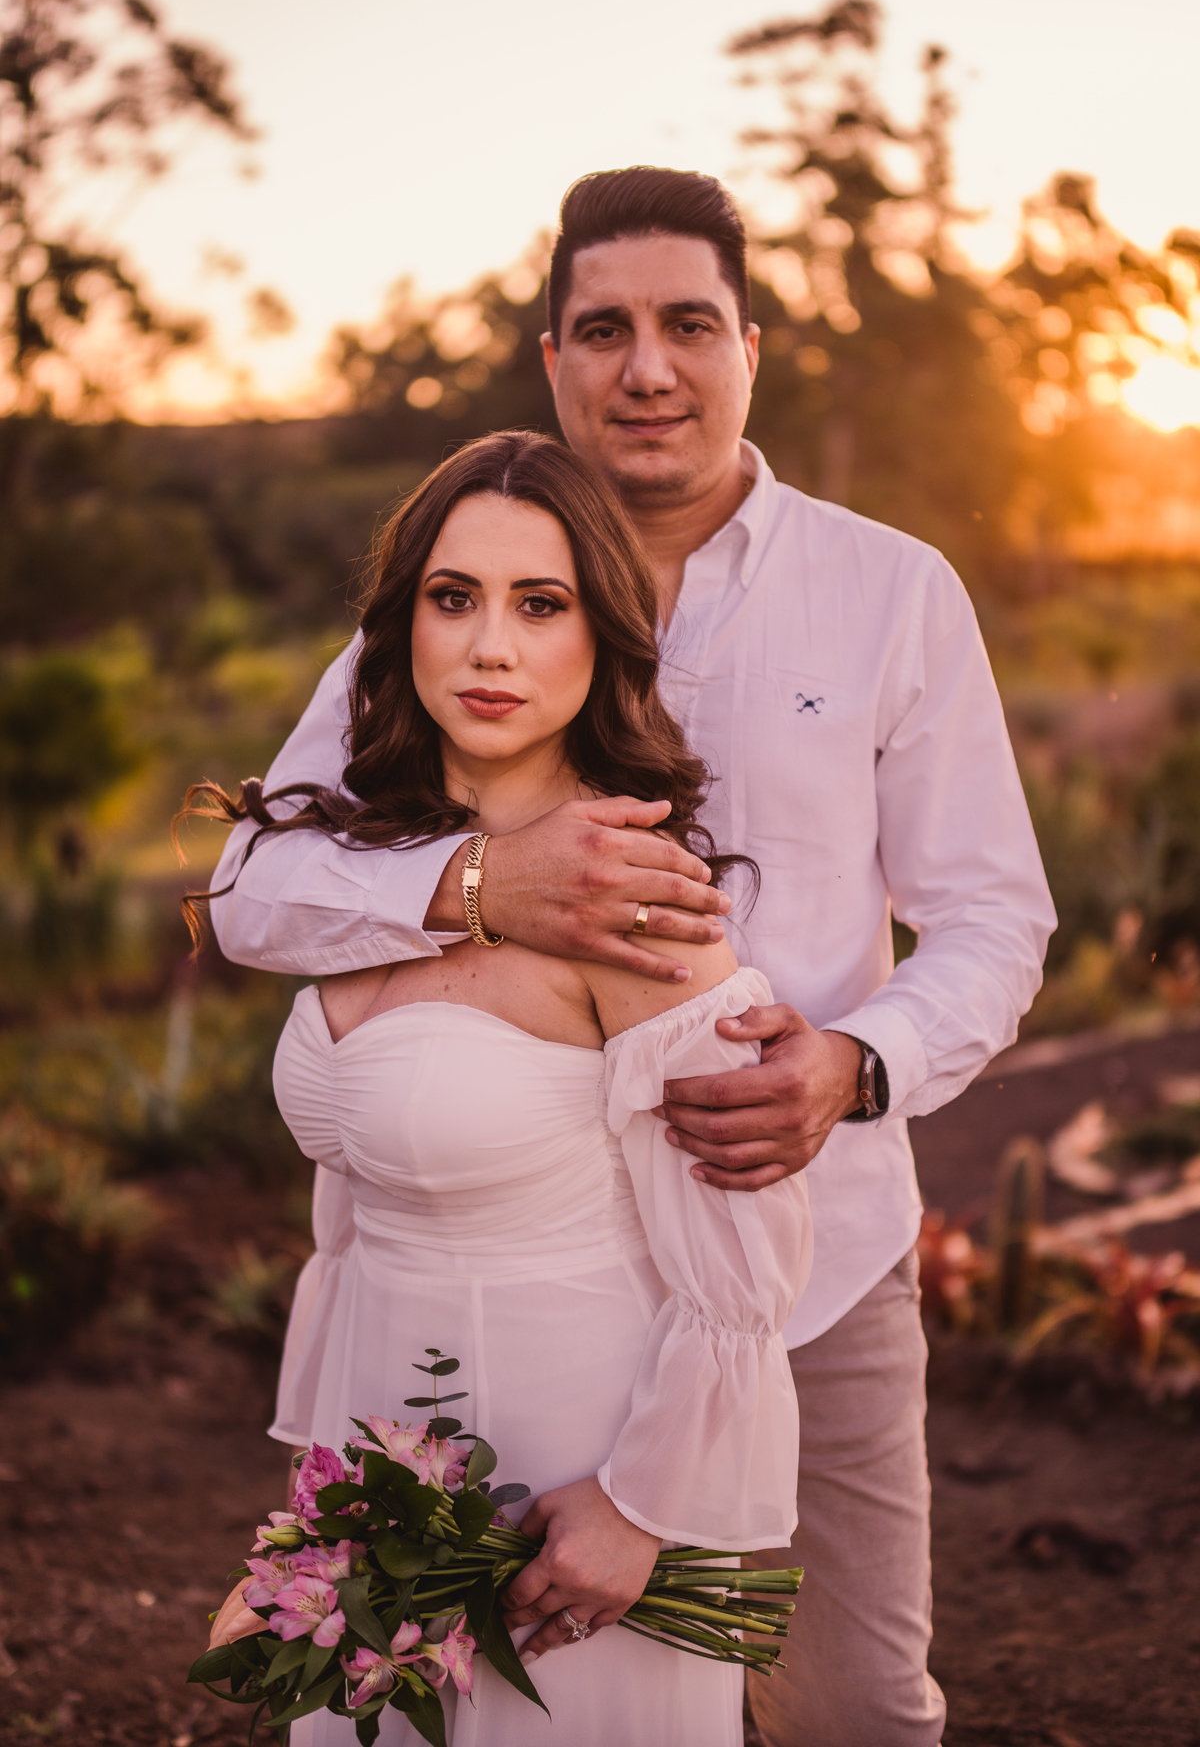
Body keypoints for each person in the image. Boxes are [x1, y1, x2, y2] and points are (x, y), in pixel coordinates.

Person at [209, 168, 1056, 1746]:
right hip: (507, 1277)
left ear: (751, 346)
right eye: (604, 330)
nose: (647, 368)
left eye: (689, 325)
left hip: (800, 1256)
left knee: (852, 1712)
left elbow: (996, 915)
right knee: (478, 1702)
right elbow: (255, 884)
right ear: (553, 359)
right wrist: (480, 884)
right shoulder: (467, 590)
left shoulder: (888, 593)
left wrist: (856, 1065)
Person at [196, 430, 814, 1746]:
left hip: (574, 1473)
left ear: (606, 634)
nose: (490, 648)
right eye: (453, 597)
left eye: (541, 605)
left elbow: (744, 1261)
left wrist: (641, 1505)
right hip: (377, 1447)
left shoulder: (637, 906)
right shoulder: (362, 872)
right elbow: (237, 897)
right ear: (399, 626)